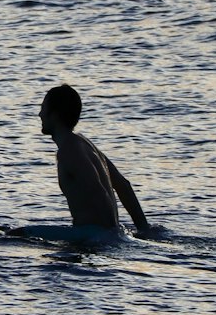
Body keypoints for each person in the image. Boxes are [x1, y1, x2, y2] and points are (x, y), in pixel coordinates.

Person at [39, 84, 152, 237]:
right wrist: (144, 229)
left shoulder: (68, 151)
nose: (39, 114)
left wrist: (112, 236)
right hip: (104, 233)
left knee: (17, 234)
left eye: (43, 108)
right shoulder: (84, 143)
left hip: (95, 236)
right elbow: (123, 186)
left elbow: (97, 190)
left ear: (55, 115)